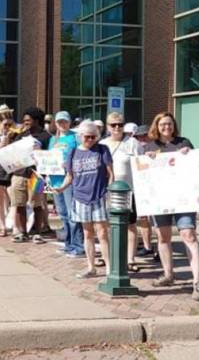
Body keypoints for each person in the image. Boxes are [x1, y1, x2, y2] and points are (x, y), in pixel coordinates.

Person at [143, 112, 199, 301]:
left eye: (169, 124)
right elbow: (143, 173)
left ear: (174, 125)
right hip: (160, 200)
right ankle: (168, 274)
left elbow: (196, 166)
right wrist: (147, 160)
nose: (166, 127)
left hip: (183, 199)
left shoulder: (184, 143)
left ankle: (197, 282)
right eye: (162, 124)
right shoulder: (149, 147)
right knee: (163, 237)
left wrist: (189, 155)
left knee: (189, 235)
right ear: (157, 126)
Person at [53, 121, 113, 279]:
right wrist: (61, 188)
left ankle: (109, 269)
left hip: (99, 195)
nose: (91, 140)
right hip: (80, 197)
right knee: (87, 233)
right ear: (80, 136)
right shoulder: (73, 152)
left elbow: (110, 173)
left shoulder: (102, 149)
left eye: (94, 137)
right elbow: (70, 176)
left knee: (102, 233)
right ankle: (91, 267)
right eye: (87, 137)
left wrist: (110, 191)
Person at [100, 112, 141, 273]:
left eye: (120, 124)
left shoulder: (133, 143)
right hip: (109, 192)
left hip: (129, 191)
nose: (117, 127)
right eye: (113, 125)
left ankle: (130, 258)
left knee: (130, 225)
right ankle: (112, 257)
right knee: (110, 225)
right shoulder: (102, 144)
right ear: (107, 126)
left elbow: (142, 165)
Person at [10, 107, 51, 244]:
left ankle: (37, 233)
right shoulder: (21, 136)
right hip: (20, 173)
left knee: (37, 203)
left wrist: (41, 152)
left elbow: (51, 157)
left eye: (28, 120)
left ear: (37, 120)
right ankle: (23, 232)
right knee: (19, 203)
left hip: (37, 175)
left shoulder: (46, 137)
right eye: (24, 120)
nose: (25, 122)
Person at [49, 111, 83, 257]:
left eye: (65, 121)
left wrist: (68, 164)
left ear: (69, 122)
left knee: (72, 213)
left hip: (69, 180)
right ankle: (68, 244)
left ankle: (78, 246)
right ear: (55, 123)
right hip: (55, 180)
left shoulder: (75, 137)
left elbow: (81, 155)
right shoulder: (53, 140)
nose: (62, 124)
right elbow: (49, 158)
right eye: (59, 122)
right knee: (62, 214)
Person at [132, 124, 156, 259]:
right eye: (139, 136)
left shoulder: (158, 148)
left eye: (144, 135)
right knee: (143, 218)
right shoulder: (138, 149)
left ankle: (159, 249)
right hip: (141, 187)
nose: (142, 138)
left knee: (157, 221)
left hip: (156, 188)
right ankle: (148, 247)